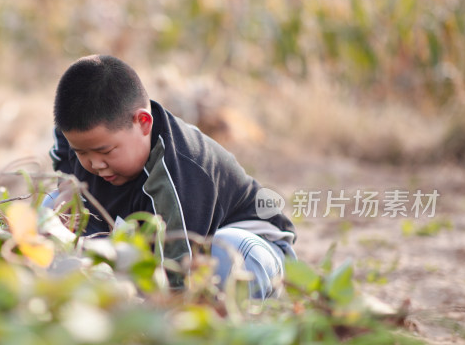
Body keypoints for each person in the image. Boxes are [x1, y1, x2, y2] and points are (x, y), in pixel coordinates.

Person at [47, 54, 296, 298]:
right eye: (81, 152)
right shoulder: (88, 136)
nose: (95, 164)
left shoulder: (178, 174)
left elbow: (178, 275)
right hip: (151, 241)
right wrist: (69, 185)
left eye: (105, 151)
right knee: (52, 207)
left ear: (143, 123)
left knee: (225, 253)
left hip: (248, 248)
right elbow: (63, 150)